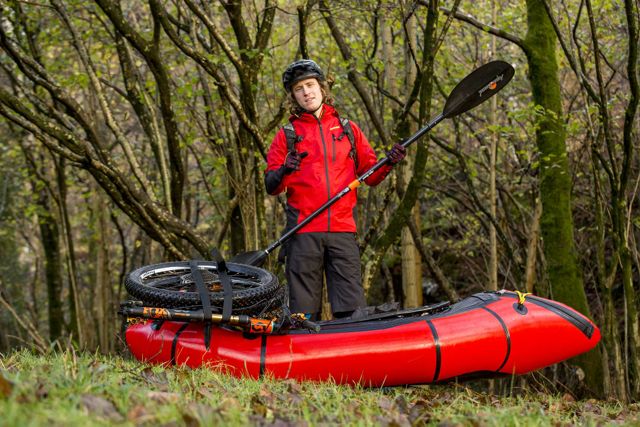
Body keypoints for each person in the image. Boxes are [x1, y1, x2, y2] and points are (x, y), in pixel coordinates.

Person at [264, 59, 406, 320]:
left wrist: (390, 162)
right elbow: (271, 186)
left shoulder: (347, 129)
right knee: (303, 315)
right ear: (293, 96)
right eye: (299, 89)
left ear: (321, 87)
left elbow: (371, 176)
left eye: (310, 85)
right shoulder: (287, 134)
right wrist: (285, 169)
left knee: (351, 311)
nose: (306, 92)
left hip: (342, 230)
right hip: (303, 232)